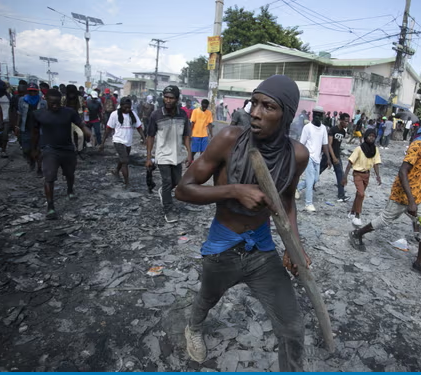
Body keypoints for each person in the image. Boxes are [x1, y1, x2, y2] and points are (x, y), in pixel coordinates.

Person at [175, 75, 310, 371]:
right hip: (223, 244)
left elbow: (287, 202)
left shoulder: (297, 155)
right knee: (207, 297)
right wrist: (233, 190)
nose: (256, 113)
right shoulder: (229, 139)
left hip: (262, 248)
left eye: (268, 106)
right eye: (254, 103)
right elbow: (182, 189)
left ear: (286, 115)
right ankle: (194, 327)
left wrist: (294, 247)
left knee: (291, 326)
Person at [349, 115, 421, 277]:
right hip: (404, 193)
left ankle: (420, 262)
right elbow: (403, 171)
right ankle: (357, 233)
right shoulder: (418, 145)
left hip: (418, 193)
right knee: (385, 219)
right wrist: (411, 201)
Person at [31, 89, 91, 219]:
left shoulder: (69, 112)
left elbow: (80, 123)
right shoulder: (38, 114)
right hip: (49, 150)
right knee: (49, 177)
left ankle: (70, 190)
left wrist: (86, 131)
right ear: (46, 100)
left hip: (67, 149)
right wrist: (34, 148)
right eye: (52, 103)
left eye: (57, 103)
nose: (55, 105)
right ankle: (50, 207)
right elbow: (35, 132)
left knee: (70, 173)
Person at [146, 85, 192, 223]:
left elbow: (186, 136)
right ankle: (168, 210)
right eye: (166, 97)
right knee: (167, 181)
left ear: (177, 99)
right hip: (163, 154)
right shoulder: (156, 115)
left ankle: (163, 192)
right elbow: (150, 136)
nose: (168, 100)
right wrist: (149, 157)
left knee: (176, 182)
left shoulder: (183, 115)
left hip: (177, 154)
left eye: (171, 98)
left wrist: (190, 154)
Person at [101, 97, 145, 188]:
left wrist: (143, 137)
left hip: (128, 141)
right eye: (125, 107)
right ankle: (127, 183)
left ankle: (116, 171)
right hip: (118, 140)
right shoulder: (114, 114)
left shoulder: (133, 114)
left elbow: (139, 127)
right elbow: (108, 129)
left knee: (123, 158)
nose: (127, 109)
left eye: (129, 107)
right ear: (121, 106)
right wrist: (102, 143)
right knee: (125, 161)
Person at [342, 128, 382, 226]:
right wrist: (345, 177)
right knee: (361, 194)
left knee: (358, 195)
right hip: (358, 174)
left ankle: (351, 212)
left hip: (366, 175)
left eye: (373, 136)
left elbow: (376, 163)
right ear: (366, 136)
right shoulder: (359, 149)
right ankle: (357, 216)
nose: (372, 138)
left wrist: (378, 176)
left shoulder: (374, 149)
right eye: (370, 136)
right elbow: (350, 162)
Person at [296, 106, 331, 212]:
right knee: (311, 181)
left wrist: (328, 159)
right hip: (308, 157)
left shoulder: (324, 128)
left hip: (318, 158)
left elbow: (325, 144)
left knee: (315, 179)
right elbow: (301, 144)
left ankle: (297, 187)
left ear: (322, 116)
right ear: (312, 115)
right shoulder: (307, 128)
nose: (317, 117)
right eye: (315, 114)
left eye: (320, 115)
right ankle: (308, 204)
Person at [16, 83, 46, 176]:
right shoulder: (22, 100)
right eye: (30, 91)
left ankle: (39, 168)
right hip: (26, 128)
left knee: (39, 149)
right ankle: (31, 161)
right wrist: (17, 126)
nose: (32, 93)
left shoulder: (43, 102)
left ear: (37, 91)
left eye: (34, 91)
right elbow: (19, 114)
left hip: (39, 129)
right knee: (26, 150)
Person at [328, 112, 350, 203]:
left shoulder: (343, 132)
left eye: (348, 121)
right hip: (329, 156)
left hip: (337, 156)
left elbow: (338, 145)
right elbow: (329, 145)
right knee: (317, 173)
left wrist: (337, 156)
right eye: (345, 121)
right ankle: (300, 186)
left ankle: (341, 195)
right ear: (340, 120)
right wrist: (333, 158)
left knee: (340, 175)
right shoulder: (333, 130)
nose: (347, 123)